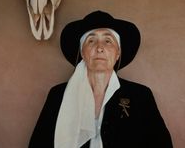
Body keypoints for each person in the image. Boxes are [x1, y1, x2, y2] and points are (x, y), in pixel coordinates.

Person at [28, 10, 173, 148]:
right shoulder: (58, 95)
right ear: (82, 53)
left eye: (108, 41)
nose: (99, 48)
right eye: (91, 41)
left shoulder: (140, 96)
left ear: (118, 54)